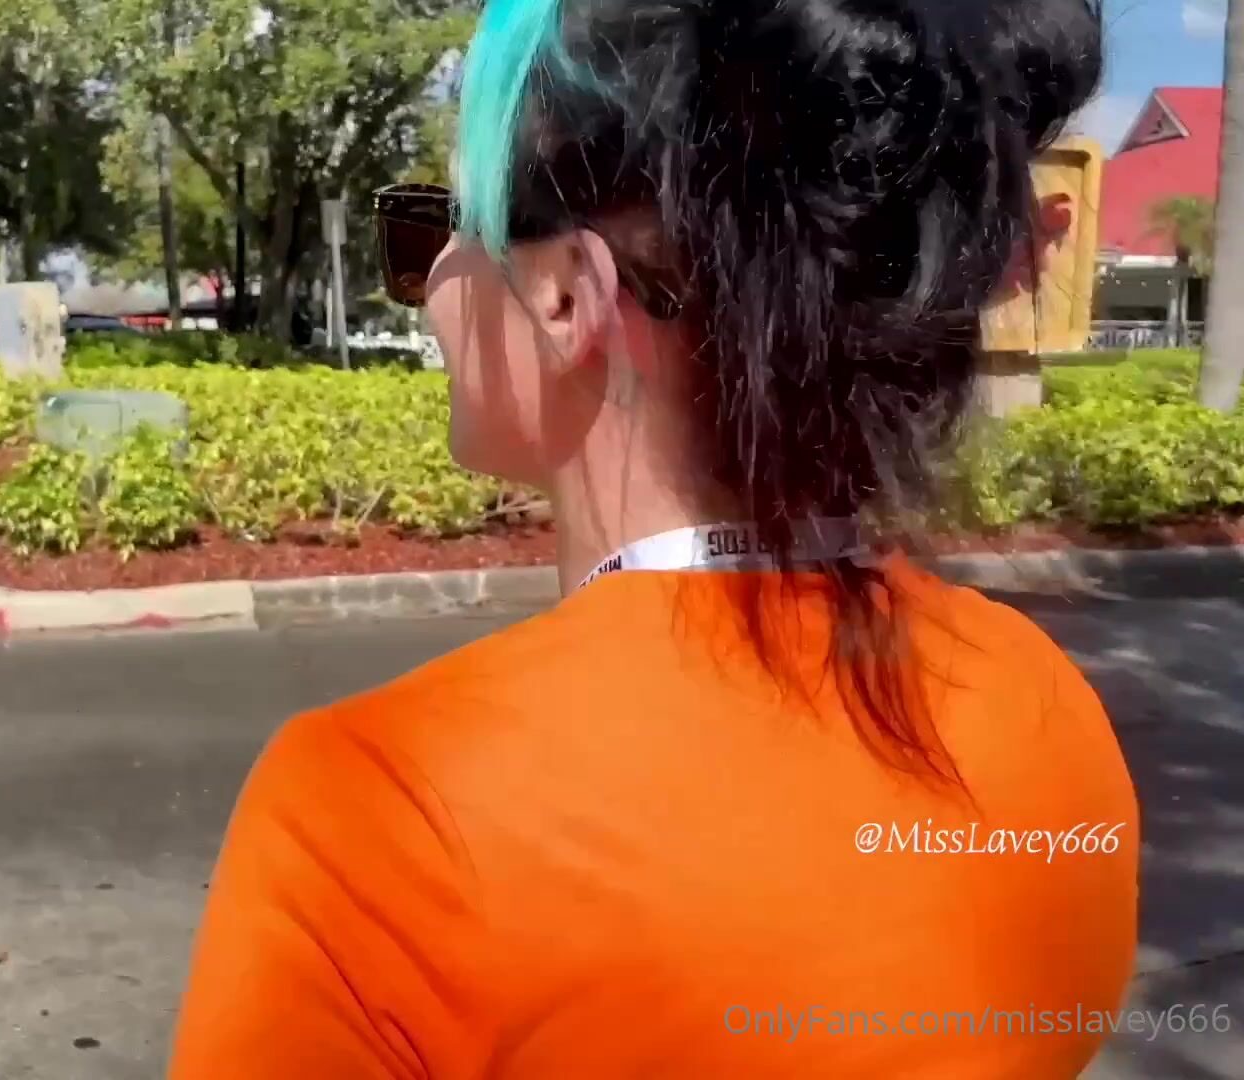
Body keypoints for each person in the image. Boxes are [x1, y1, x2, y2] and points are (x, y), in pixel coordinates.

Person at [169, 1, 1137, 1077]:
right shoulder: (1047, 709)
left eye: (445, 228)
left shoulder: (375, 813)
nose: (432, 280)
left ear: (566, 294)